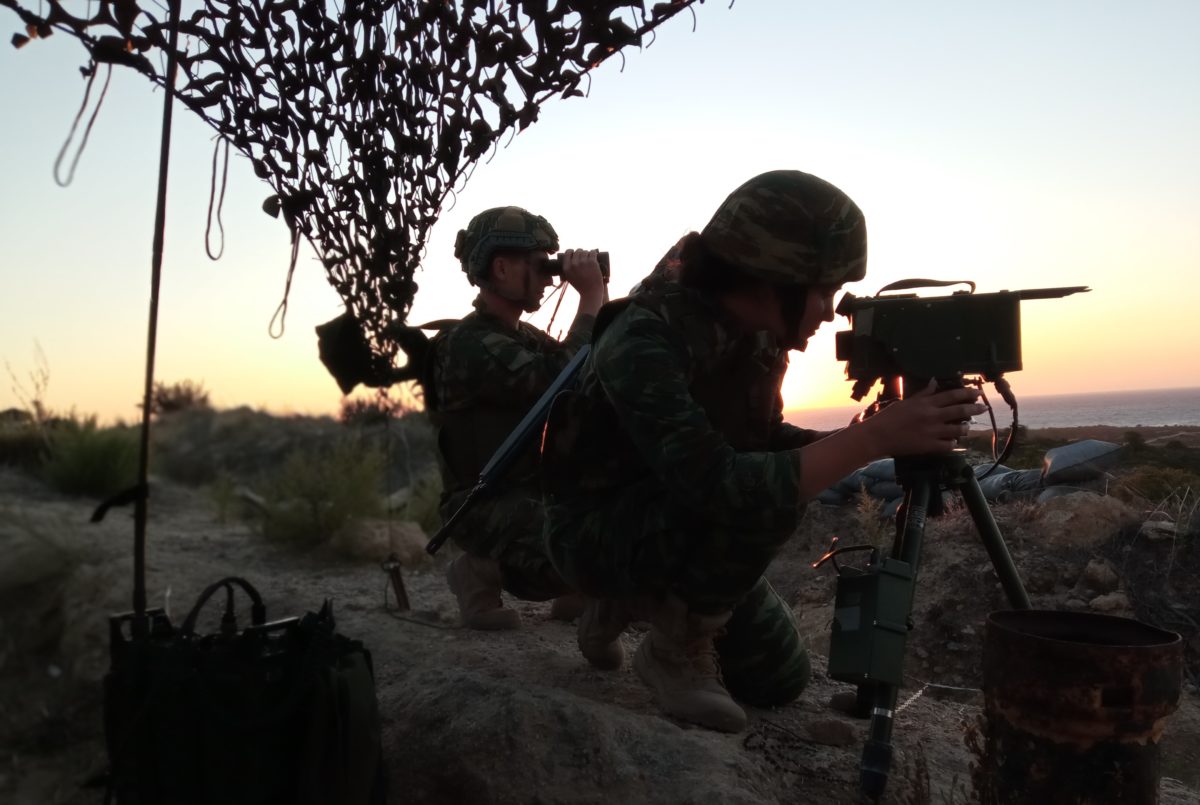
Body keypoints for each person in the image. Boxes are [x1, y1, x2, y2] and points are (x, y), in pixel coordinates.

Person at [540, 170, 985, 731]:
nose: (829, 311)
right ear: (771, 278)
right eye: (822, 290)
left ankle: (625, 605)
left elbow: (763, 438)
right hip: (593, 533)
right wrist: (872, 440)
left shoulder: (758, 335)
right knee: (769, 498)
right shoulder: (642, 338)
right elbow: (722, 484)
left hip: (673, 518)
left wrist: (873, 431)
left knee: (778, 681)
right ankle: (669, 648)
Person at [425, 205, 606, 630]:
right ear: (502, 268)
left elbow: (587, 374)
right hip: (484, 503)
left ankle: (577, 591)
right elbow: (558, 378)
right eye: (539, 265)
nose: (549, 277)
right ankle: (478, 571)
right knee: (587, 550)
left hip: (535, 491)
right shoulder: (468, 344)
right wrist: (591, 298)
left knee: (616, 523)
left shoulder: (523, 337)